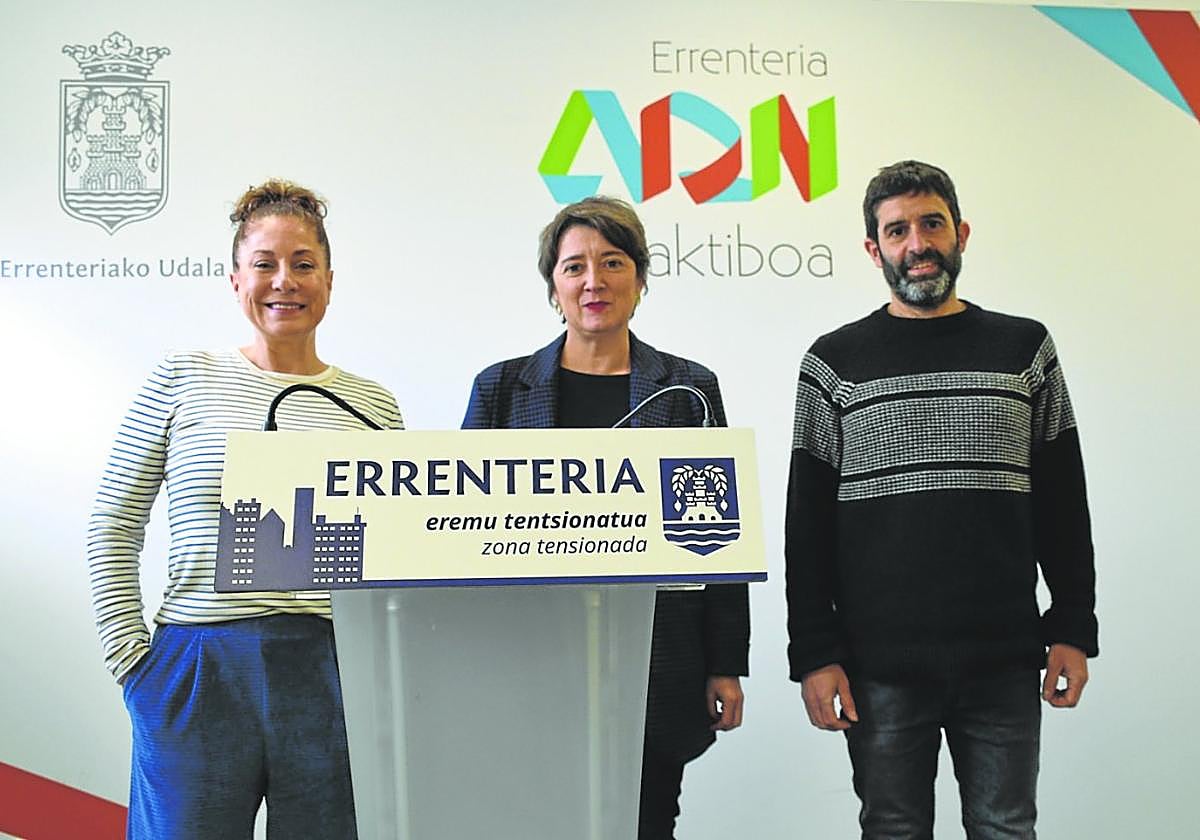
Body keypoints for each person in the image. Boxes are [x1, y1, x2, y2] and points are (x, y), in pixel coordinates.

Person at [785, 160, 1098, 839]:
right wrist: (813, 652)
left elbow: (1063, 505)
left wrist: (1073, 626)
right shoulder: (833, 364)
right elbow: (805, 529)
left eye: (931, 224)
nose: (917, 244)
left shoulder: (1024, 350)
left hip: (1004, 660)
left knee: (1005, 828)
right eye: (897, 231)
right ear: (874, 250)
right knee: (893, 829)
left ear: (961, 232)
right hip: (879, 668)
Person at [87, 180, 403, 839]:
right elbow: (113, 526)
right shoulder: (182, 377)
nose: (284, 281)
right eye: (264, 263)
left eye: (303, 263)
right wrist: (133, 666)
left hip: (330, 668)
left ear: (330, 279)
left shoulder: (375, 408)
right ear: (236, 279)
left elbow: (393, 557)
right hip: (196, 667)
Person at [462, 196, 750, 839]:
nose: (594, 281)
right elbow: (462, 539)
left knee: (648, 822)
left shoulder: (688, 388)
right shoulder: (501, 389)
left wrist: (724, 662)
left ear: (641, 279)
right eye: (574, 267)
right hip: (532, 660)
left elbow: (719, 541)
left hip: (658, 657)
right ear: (553, 287)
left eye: (613, 262)